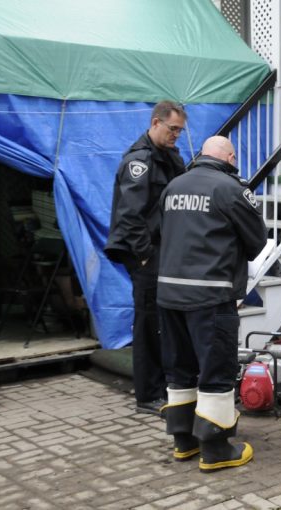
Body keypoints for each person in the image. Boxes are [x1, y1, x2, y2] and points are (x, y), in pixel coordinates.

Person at [156, 136, 267, 472]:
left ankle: (183, 441)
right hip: (210, 295)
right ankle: (216, 448)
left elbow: (162, 232)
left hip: (169, 294)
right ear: (230, 158)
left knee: (180, 369)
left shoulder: (173, 186)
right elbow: (256, 240)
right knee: (215, 370)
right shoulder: (231, 189)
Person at [105, 101, 187, 415]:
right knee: (148, 322)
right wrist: (144, 255)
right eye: (172, 129)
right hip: (147, 254)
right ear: (155, 123)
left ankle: (164, 385)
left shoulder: (170, 157)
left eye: (180, 130)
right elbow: (130, 216)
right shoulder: (139, 161)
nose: (176, 135)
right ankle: (148, 394)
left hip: (164, 252)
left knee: (163, 322)